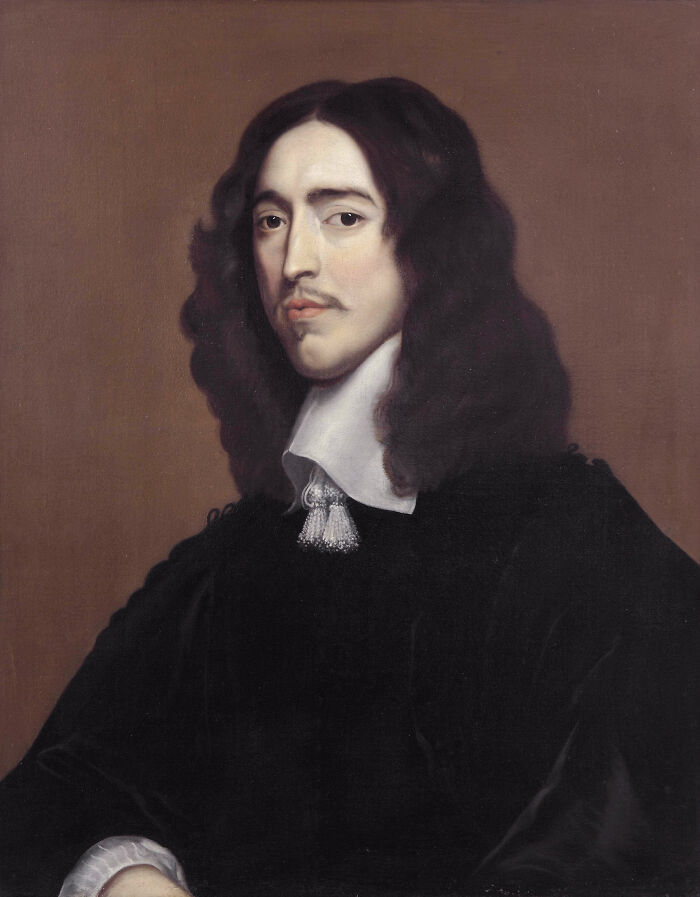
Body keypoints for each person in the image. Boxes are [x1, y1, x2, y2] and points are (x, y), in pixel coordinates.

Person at [0, 78, 698, 897]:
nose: (295, 260)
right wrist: (127, 873)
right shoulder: (236, 562)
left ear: (434, 244)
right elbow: (59, 785)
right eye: (271, 221)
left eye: (342, 217)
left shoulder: (573, 533)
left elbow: (627, 825)